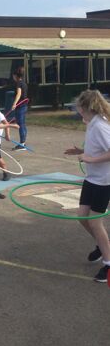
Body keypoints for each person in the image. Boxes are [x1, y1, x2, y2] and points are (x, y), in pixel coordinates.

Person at [64, 89, 110, 283]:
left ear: (85, 107)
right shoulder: (92, 123)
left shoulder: (100, 125)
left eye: (78, 108)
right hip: (92, 179)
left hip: (104, 181)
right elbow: (97, 146)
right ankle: (102, 245)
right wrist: (81, 151)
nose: (78, 111)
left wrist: (89, 158)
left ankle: (108, 264)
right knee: (82, 217)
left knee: (95, 222)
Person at [11, 67, 28, 150]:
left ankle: (22, 144)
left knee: (20, 125)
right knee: (23, 124)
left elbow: (19, 94)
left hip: (20, 106)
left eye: (13, 76)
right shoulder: (24, 83)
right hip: (24, 106)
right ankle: (23, 142)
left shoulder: (18, 83)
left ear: (15, 76)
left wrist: (14, 104)